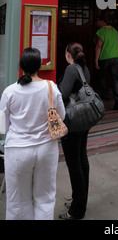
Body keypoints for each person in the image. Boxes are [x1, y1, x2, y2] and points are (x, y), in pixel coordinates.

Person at [0, 47, 65, 220]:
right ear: (39, 65)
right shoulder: (51, 88)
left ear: (21, 66)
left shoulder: (10, 92)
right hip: (46, 148)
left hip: (17, 150)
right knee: (45, 197)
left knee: (17, 201)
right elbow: (62, 116)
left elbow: (2, 127)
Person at [58, 42, 90, 220]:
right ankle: (81, 201)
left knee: (74, 163)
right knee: (82, 158)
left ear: (68, 55)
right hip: (84, 120)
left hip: (73, 121)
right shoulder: (85, 69)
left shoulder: (72, 69)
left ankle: (77, 210)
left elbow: (63, 94)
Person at [94, 15, 118, 110]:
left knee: (101, 75)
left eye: (97, 21)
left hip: (105, 57)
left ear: (103, 21)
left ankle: (106, 94)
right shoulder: (115, 31)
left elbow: (98, 46)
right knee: (115, 79)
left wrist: (96, 60)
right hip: (116, 57)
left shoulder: (101, 31)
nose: (96, 23)